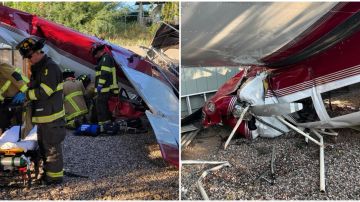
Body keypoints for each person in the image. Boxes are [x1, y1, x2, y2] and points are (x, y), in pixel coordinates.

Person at [16, 37, 65, 185]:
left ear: (37, 52)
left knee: (51, 149)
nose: (29, 60)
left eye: (29, 56)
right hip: (44, 117)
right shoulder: (39, 67)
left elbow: (45, 92)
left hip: (51, 117)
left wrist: (27, 95)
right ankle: (48, 175)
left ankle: (55, 178)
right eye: (27, 58)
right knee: (44, 148)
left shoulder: (50, 67)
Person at [90, 43, 119, 132]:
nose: (95, 56)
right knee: (102, 107)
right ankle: (104, 125)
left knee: (102, 107)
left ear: (99, 52)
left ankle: (104, 127)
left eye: (95, 54)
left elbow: (105, 73)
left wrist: (99, 85)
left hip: (105, 89)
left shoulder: (106, 58)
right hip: (104, 89)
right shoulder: (104, 59)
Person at [0, 63, 29, 133]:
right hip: (9, 98)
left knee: (18, 122)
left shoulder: (2, 66)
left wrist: (24, 92)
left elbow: (16, 77)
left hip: (20, 94)